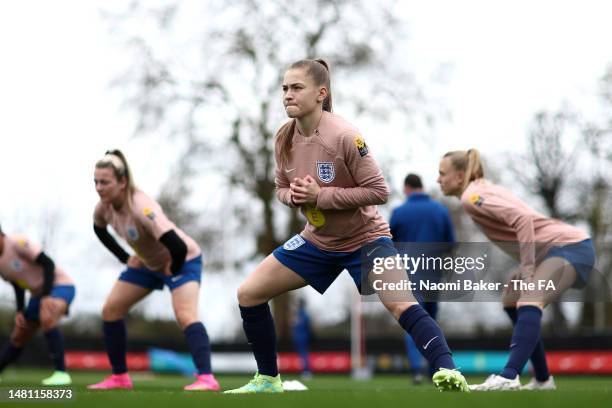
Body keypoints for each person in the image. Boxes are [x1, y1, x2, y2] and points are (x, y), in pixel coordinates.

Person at [224, 59, 468, 394]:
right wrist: (292, 196)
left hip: (366, 240)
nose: (287, 96)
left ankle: (449, 371)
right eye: (284, 88)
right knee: (248, 294)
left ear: (321, 94)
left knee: (402, 303)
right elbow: (281, 189)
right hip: (317, 242)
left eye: (296, 88)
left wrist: (321, 195)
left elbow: (379, 191)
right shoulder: (284, 138)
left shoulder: (345, 136)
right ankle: (268, 380)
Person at [438, 149, 596, 391]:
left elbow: (522, 219)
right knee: (512, 299)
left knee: (529, 300)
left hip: (570, 248)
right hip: (557, 251)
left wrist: (528, 268)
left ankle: (509, 376)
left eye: (442, 174)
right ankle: (543, 380)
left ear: (460, 177)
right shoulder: (481, 187)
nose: (438, 180)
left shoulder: (471, 197)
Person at [87, 150, 219, 391]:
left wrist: (173, 269)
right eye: (96, 181)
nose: (99, 187)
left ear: (122, 182)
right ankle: (120, 378)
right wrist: (126, 258)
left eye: (105, 182)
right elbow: (99, 230)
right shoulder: (102, 208)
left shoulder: (141, 207)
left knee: (185, 315)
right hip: (148, 264)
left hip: (183, 259)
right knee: (110, 310)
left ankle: (206, 379)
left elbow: (177, 247)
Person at [389, 173, 455, 384]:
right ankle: (436, 367)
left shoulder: (399, 212)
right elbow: (451, 243)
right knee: (431, 320)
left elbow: (388, 243)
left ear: (407, 188)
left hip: (409, 272)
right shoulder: (440, 210)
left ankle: (417, 369)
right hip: (434, 272)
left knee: (413, 318)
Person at [0, 224, 75, 385]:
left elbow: (48, 263)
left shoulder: (17, 243)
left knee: (47, 316)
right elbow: (17, 283)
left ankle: (61, 374)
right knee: (18, 335)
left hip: (60, 285)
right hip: (37, 294)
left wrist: (47, 295)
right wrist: (20, 310)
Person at [291, 298, 312, 379]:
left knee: (303, 355)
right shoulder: (304, 315)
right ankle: (305, 371)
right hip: (303, 337)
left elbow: (295, 326)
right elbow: (308, 327)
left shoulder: (297, 315)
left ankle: (306, 371)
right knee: (303, 354)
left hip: (299, 337)